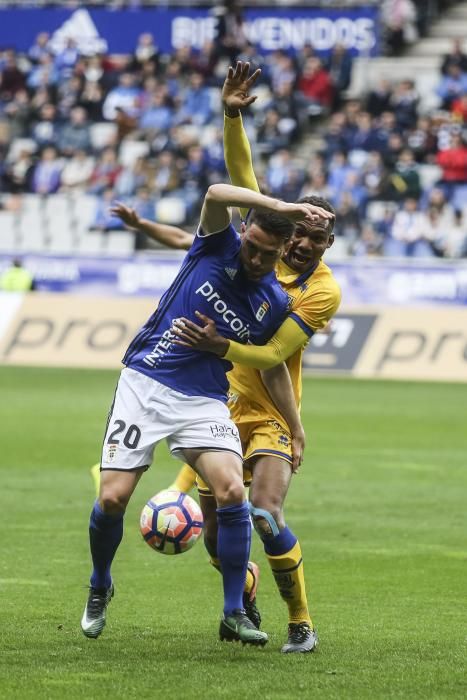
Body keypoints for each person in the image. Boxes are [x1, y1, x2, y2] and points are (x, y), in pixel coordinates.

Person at [113, 62, 341, 654]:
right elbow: (242, 179)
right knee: (218, 539)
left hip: (264, 410)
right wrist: (233, 114)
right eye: (299, 231)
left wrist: (292, 425)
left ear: (326, 244)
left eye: (317, 237)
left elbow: (272, 355)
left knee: (264, 514)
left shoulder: (320, 291)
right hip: (213, 402)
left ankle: (302, 621)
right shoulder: (258, 243)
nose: (303, 242)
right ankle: (242, 602)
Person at [80, 179, 333, 647]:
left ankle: (236, 611)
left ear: (281, 250)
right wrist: (281, 204)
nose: (257, 261)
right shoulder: (217, 245)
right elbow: (218, 191)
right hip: (147, 383)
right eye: (253, 248)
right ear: (246, 231)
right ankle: (99, 584)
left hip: (203, 400)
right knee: (112, 499)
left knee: (235, 491)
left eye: (267, 255)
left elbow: (274, 362)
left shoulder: (273, 301)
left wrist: (296, 426)